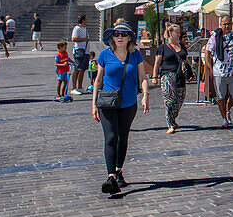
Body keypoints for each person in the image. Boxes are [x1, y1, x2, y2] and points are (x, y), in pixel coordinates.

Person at [92, 22, 149, 195]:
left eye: (123, 34)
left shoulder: (135, 55)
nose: (119, 37)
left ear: (129, 37)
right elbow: (98, 81)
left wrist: (145, 94)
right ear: (111, 38)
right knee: (110, 137)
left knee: (122, 137)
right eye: (116, 34)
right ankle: (110, 177)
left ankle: (118, 170)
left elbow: (143, 77)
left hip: (128, 103)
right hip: (108, 103)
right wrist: (94, 104)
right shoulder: (105, 55)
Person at [152, 23, 191, 133]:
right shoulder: (163, 48)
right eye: (176, 32)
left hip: (180, 76)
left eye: (179, 32)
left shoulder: (182, 47)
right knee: (169, 99)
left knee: (179, 99)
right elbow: (157, 63)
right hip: (167, 75)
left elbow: (186, 60)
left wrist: (189, 71)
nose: (179, 34)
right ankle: (170, 123)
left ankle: (173, 118)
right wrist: (155, 77)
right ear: (170, 33)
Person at [204, 15, 233, 128]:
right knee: (221, 96)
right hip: (219, 71)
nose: (226, 26)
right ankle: (224, 118)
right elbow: (207, 53)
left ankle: (228, 109)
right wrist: (210, 68)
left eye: (228, 24)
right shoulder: (215, 37)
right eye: (224, 24)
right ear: (220, 25)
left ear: (231, 24)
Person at [70, 14, 91, 94]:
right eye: (86, 19)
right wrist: (84, 39)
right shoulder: (77, 28)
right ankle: (74, 88)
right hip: (79, 50)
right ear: (83, 20)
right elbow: (73, 38)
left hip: (85, 51)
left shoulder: (84, 28)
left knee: (82, 70)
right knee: (77, 69)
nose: (87, 20)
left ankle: (80, 87)